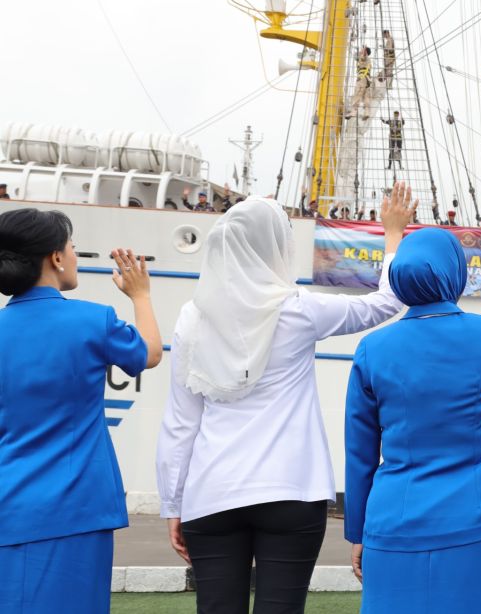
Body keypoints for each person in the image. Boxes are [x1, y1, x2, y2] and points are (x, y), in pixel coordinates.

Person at [155, 185, 416, 613]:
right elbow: (385, 303)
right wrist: (392, 235)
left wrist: (173, 502)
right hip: (291, 491)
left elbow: (181, 422)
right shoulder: (298, 310)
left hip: (211, 494)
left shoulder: (191, 318)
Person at [345, 224, 481, 613]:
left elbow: (360, 452)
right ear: (454, 273)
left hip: (393, 521)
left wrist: (357, 530)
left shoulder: (371, 350)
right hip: (477, 522)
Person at [0, 209, 162, 613]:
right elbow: (149, 353)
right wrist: (140, 295)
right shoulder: (93, 320)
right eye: (71, 246)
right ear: (55, 257)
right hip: (76, 511)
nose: (75, 255)